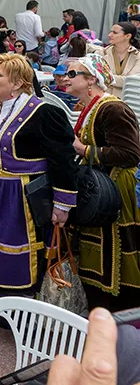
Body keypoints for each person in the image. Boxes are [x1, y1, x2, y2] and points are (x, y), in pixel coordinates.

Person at [0, 54, 78, 309]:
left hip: (18, 193)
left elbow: (62, 160)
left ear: (18, 83)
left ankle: (15, 308)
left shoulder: (44, 113)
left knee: (14, 247)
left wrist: (62, 204)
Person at [63, 54, 140, 311]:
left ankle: (118, 313)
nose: (65, 77)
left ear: (91, 80)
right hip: (98, 186)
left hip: (115, 188)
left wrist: (84, 150)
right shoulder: (89, 107)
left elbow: (131, 154)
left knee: (117, 248)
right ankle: (99, 306)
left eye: (72, 74)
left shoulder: (112, 108)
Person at [102, 22, 140, 98]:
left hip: (126, 101)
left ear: (128, 36)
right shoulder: (102, 53)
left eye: (115, 33)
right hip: (103, 100)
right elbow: (96, 77)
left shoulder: (137, 56)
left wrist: (107, 77)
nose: (110, 35)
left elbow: (131, 81)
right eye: (110, 32)